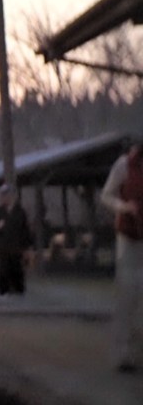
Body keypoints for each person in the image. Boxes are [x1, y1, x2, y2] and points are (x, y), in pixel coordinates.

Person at [101, 140, 143, 373]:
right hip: (128, 238)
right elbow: (106, 195)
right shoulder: (124, 165)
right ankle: (123, 354)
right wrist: (123, 206)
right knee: (128, 294)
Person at [0, 183, 34, 296]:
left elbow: (25, 230)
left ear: (12, 196)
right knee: (3, 271)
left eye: (5, 195)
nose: (3, 197)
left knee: (17, 270)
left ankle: (19, 291)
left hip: (17, 248)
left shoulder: (20, 212)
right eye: (2, 195)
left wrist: (27, 248)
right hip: (3, 248)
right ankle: (3, 292)